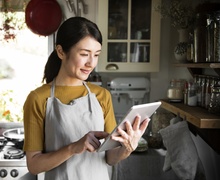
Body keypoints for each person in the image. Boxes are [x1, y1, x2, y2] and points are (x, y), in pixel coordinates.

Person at [23, 16, 149, 180]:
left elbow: (110, 157)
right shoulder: (38, 98)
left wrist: (127, 148)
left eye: (96, 54)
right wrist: (73, 148)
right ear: (61, 52)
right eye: (84, 54)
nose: (91, 63)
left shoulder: (102, 95)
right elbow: (34, 165)